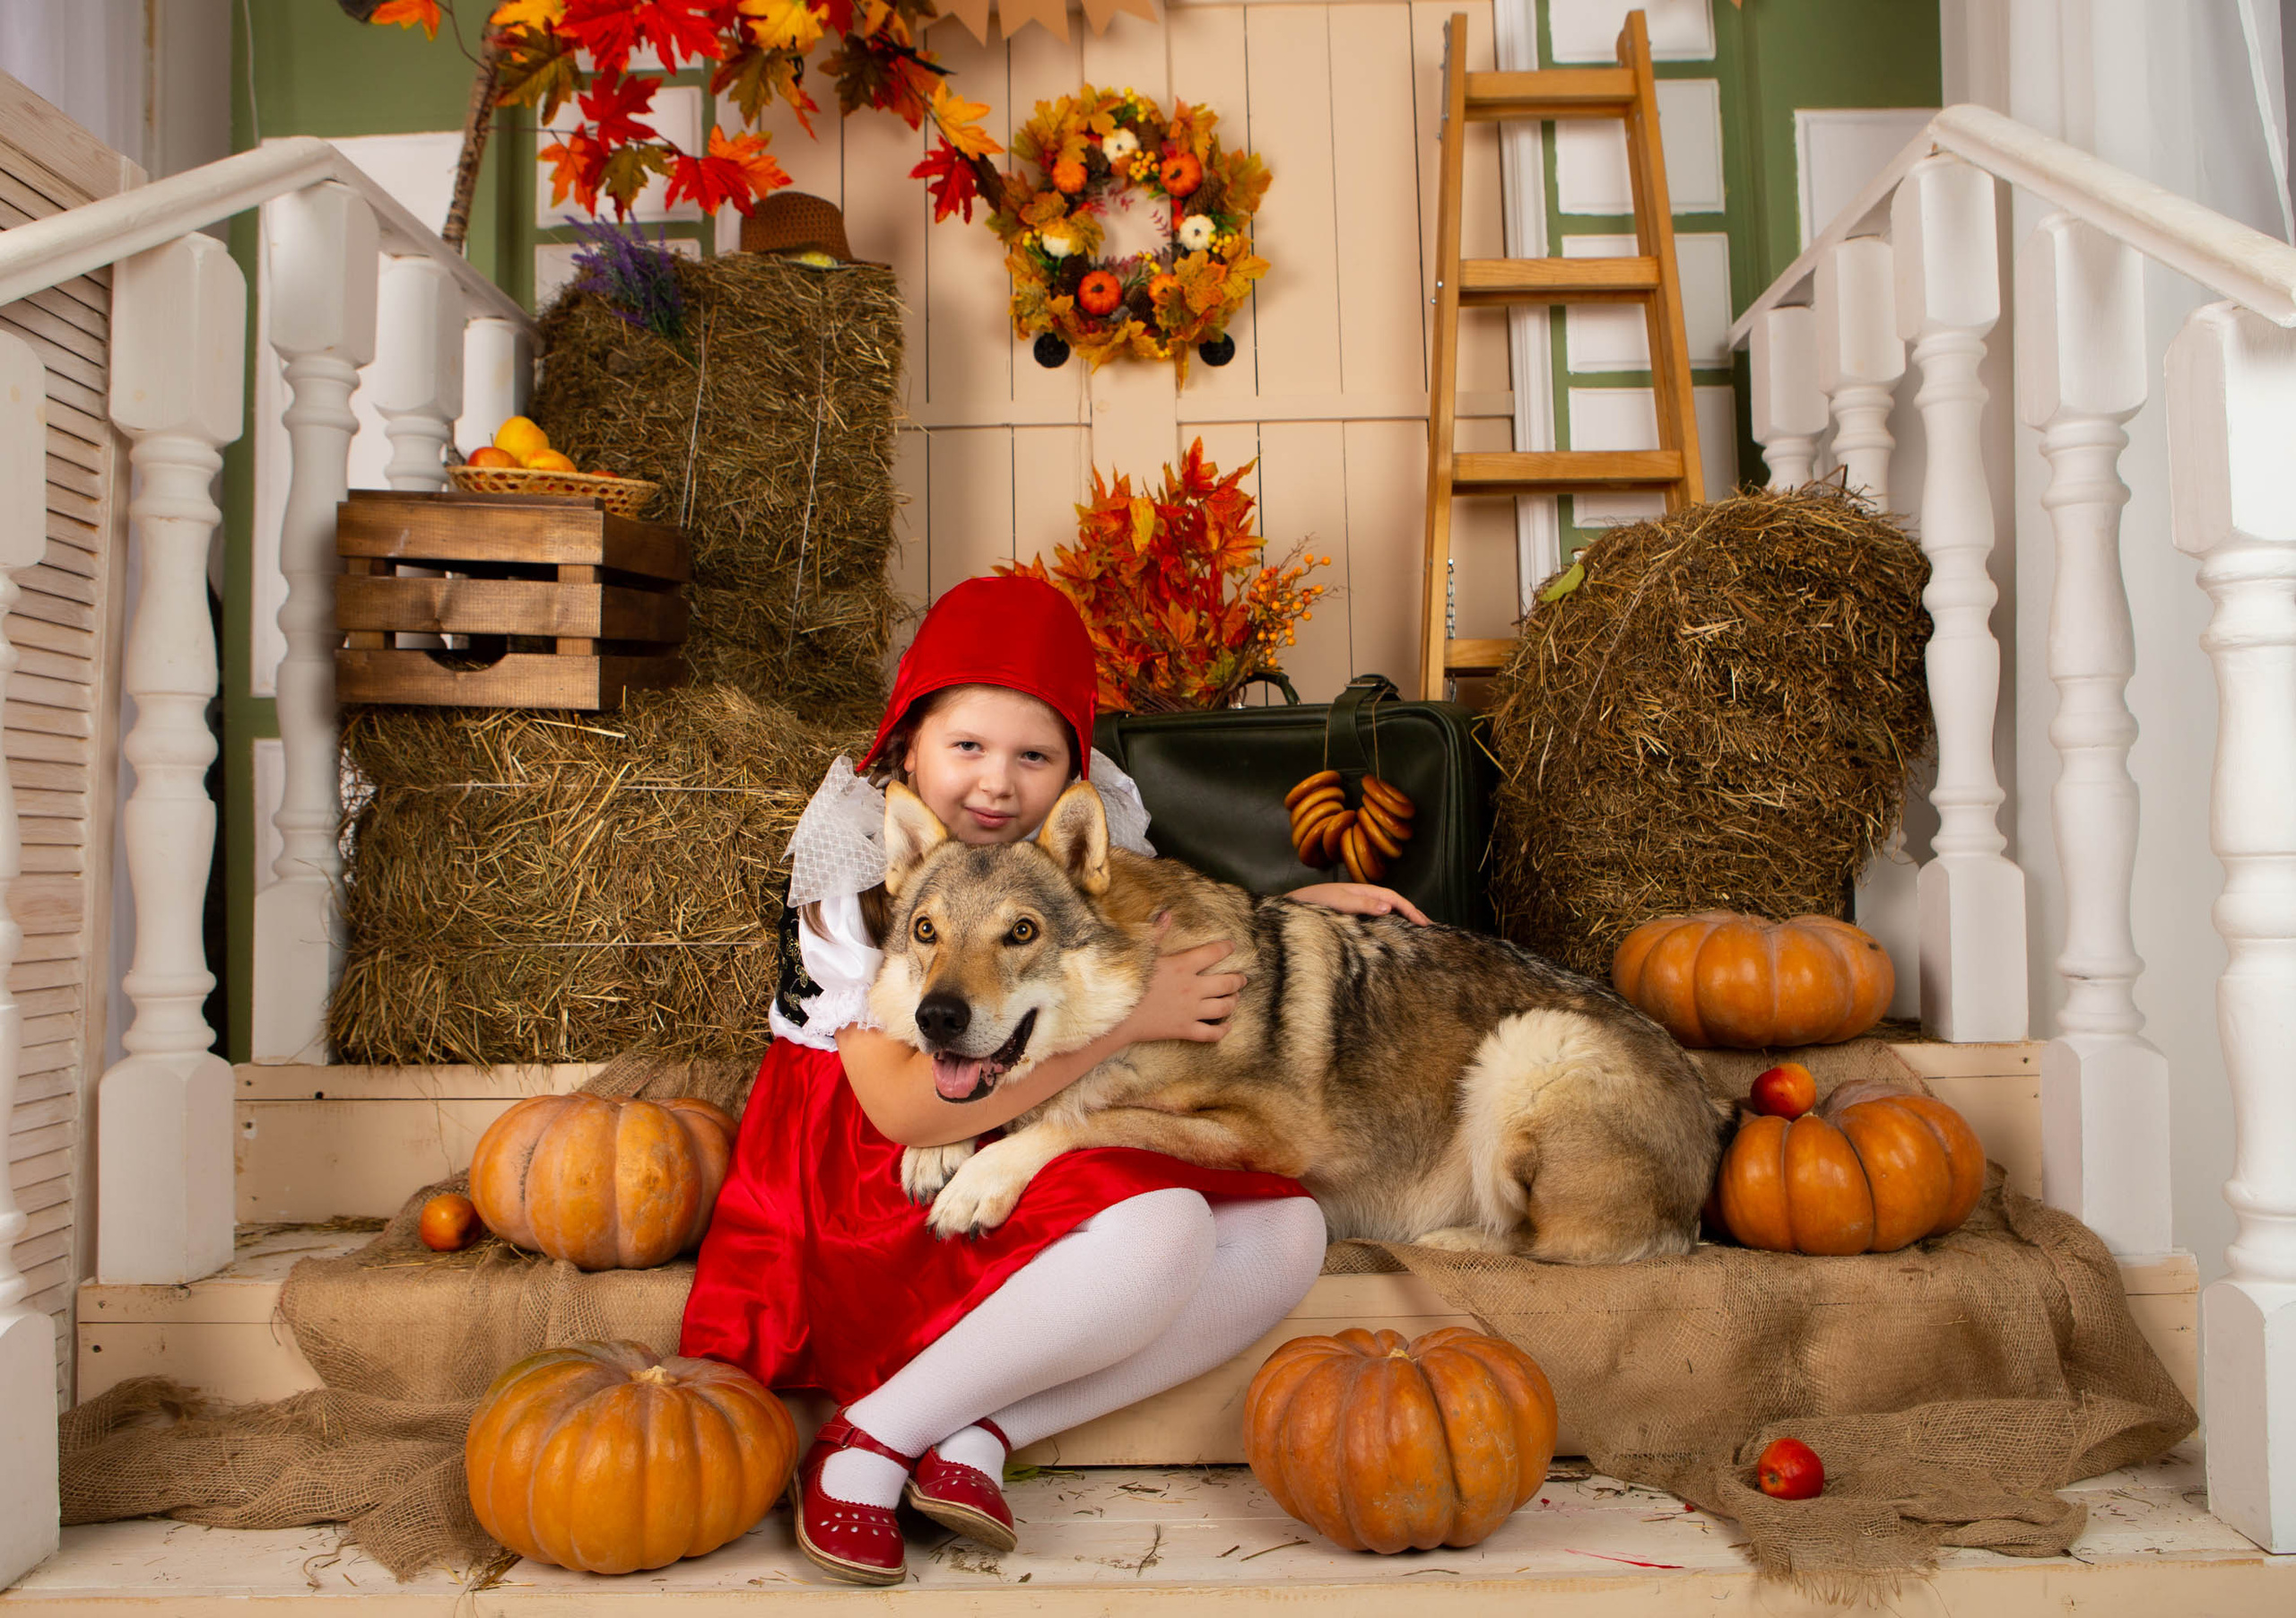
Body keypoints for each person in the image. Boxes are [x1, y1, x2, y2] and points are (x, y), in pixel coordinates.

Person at [680, 574, 1429, 1586]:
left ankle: (983, 1430)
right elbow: (900, 1110)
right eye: (968, 747)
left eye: (1032, 757)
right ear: (908, 748)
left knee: (1287, 1229)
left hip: (1016, 1114)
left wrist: (1294, 908)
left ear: (1074, 772)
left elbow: (1155, 917)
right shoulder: (850, 875)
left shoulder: (1069, 854)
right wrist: (1141, 1018)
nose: (996, 784)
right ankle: (867, 1441)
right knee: (1165, 1228)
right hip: (878, 1159)